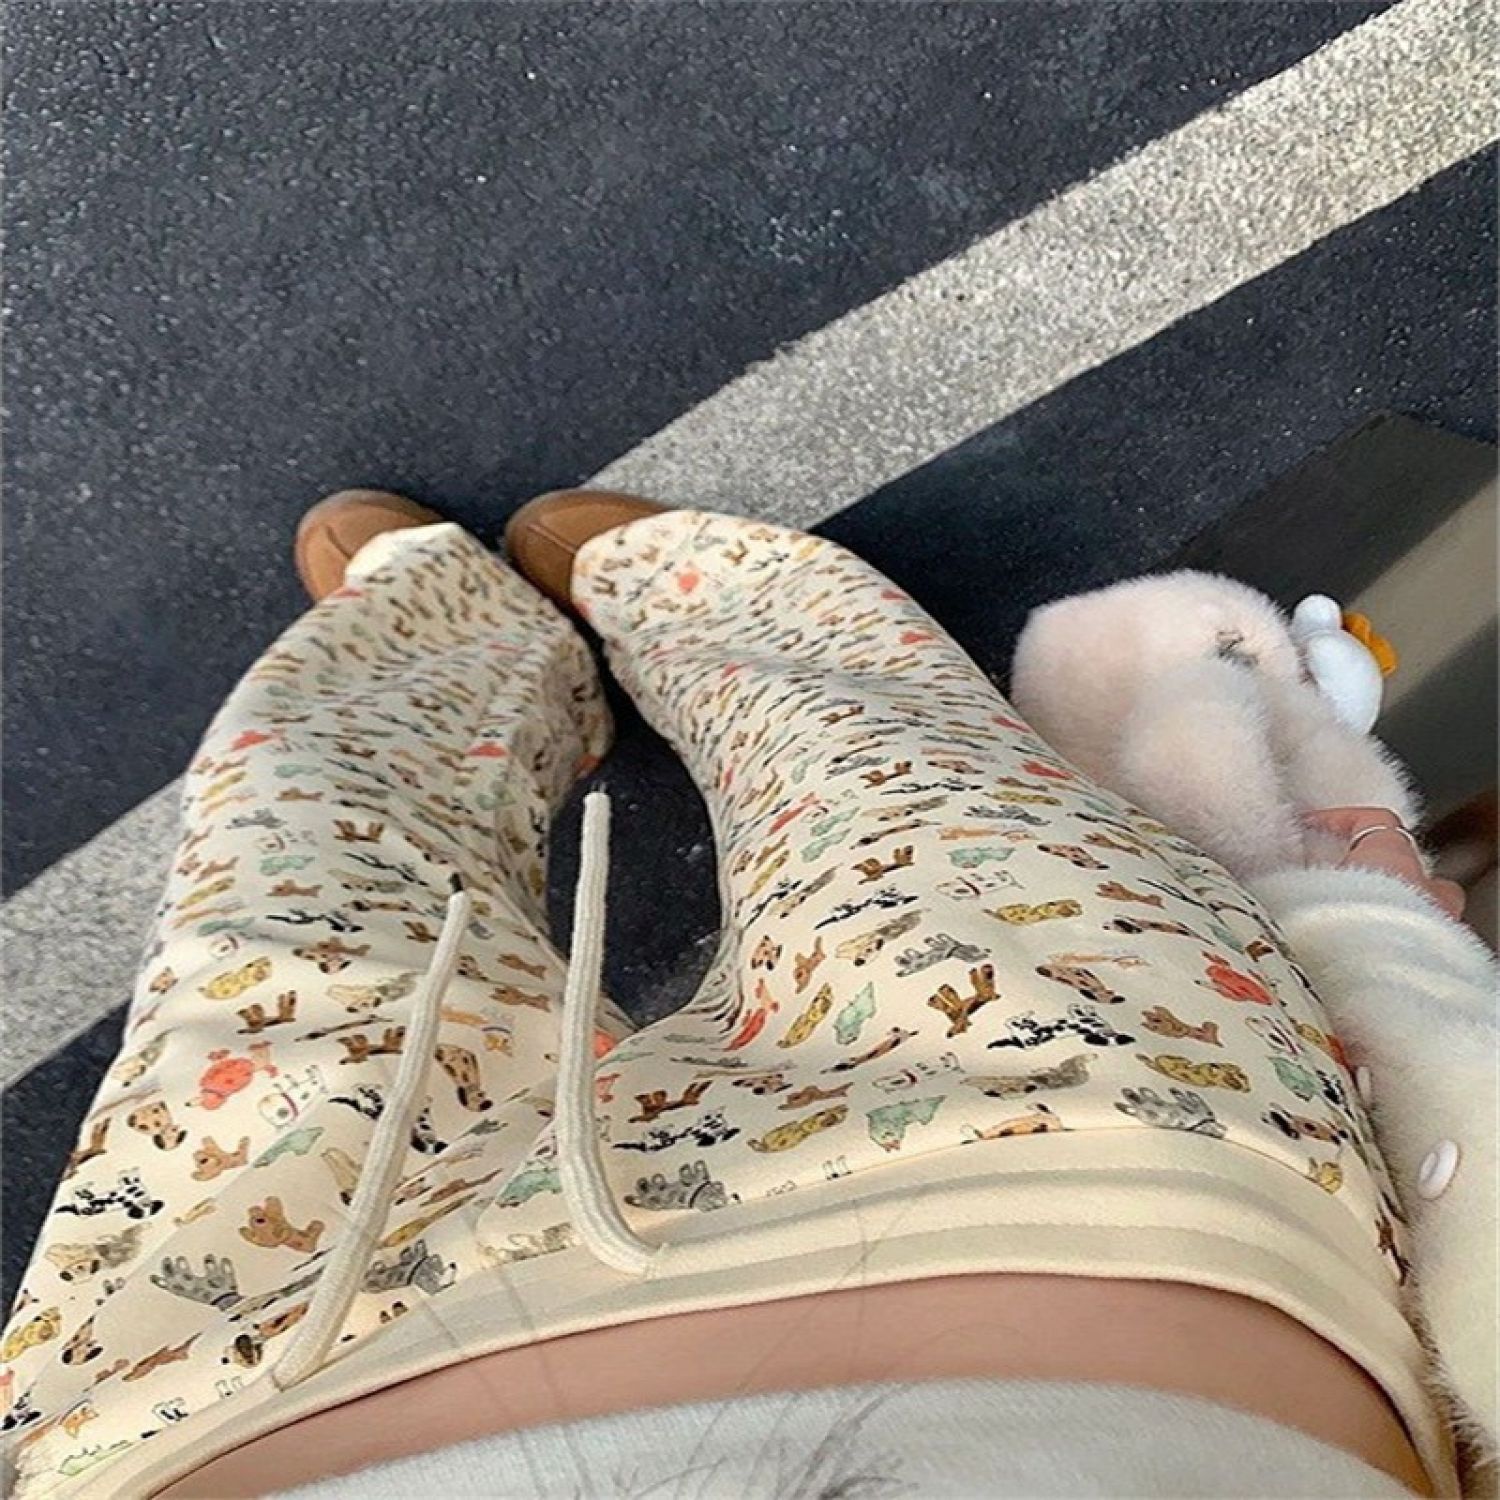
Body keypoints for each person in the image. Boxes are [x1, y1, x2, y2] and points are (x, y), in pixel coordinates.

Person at [3, 491, 1493, 1499]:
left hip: (214, 1372)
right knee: (877, 757)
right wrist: (1393, 979)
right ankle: (693, 596)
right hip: (1107, 1163)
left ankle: (437, 631)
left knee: (298, 874)